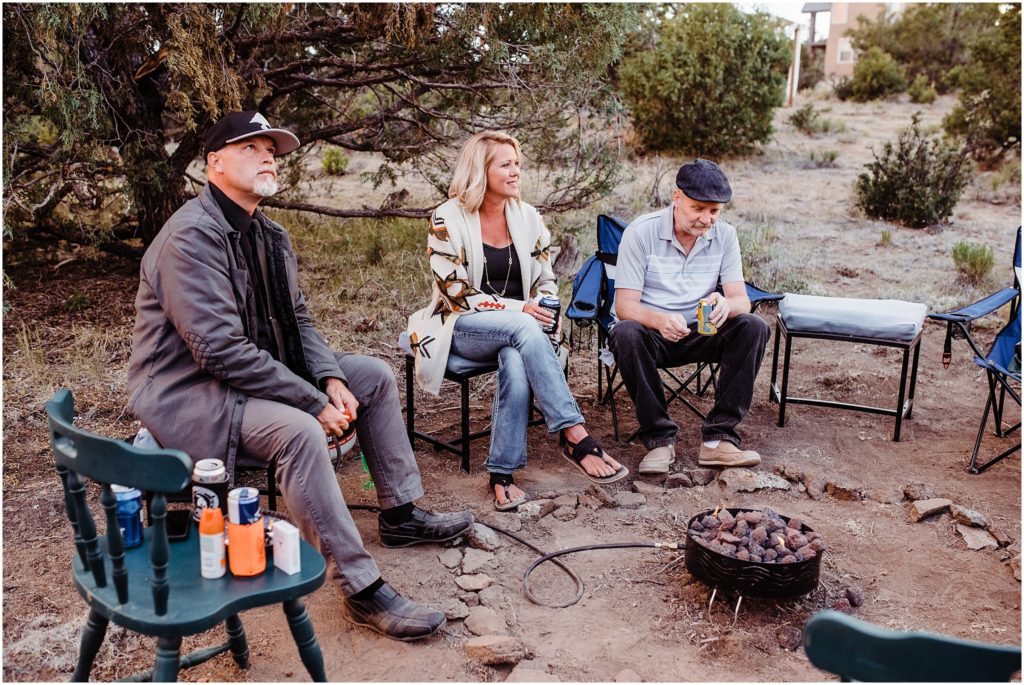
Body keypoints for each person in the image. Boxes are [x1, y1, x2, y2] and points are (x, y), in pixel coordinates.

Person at [126, 111, 473, 642]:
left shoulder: (269, 234)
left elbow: (300, 321)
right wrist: (313, 403)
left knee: (373, 378)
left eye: (271, 148)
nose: (267, 155)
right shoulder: (189, 239)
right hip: (193, 396)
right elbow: (219, 352)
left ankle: (400, 514)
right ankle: (359, 587)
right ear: (213, 163)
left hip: (251, 379)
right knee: (301, 432)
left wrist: (331, 379)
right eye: (250, 147)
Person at [407, 131, 628, 510]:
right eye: (506, 164)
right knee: (523, 329)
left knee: (515, 351)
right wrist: (521, 311)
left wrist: (545, 308)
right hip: (460, 326)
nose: (516, 172)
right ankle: (574, 434)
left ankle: (502, 473)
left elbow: (545, 279)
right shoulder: (446, 218)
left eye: (518, 164)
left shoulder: (528, 218)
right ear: (481, 170)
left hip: (518, 333)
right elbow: (455, 292)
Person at [609, 159, 771, 474]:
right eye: (698, 208)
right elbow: (624, 307)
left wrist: (726, 303)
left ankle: (718, 440)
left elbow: (742, 300)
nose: (706, 219)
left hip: (704, 329)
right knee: (625, 332)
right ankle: (658, 440)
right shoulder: (641, 233)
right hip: (654, 334)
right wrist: (658, 320)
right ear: (677, 197)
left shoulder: (725, 236)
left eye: (714, 211)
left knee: (753, 326)